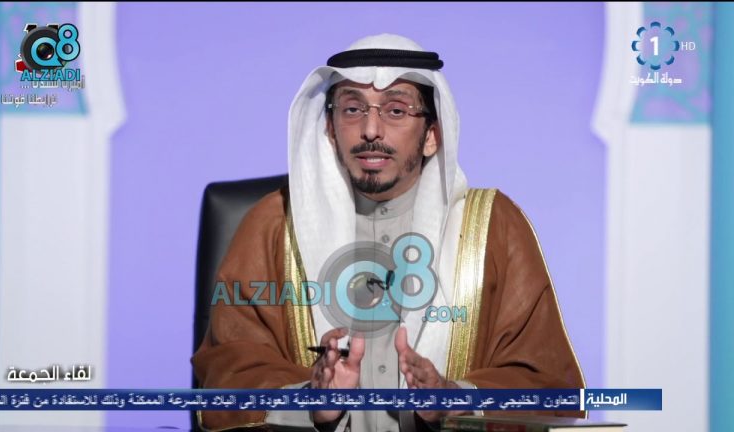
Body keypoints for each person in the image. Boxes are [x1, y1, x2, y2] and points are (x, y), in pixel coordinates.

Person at [192, 34, 585, 431]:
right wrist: (311, 402)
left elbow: (548, 384)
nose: (370, 130)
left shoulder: (493, 227)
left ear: (432, 135)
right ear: (330, 130)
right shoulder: (274, 224)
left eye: (396, 110)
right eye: (352, 109)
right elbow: (227, 375)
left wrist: (454, 398)